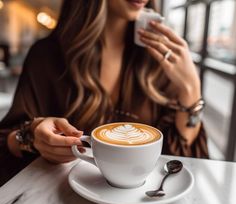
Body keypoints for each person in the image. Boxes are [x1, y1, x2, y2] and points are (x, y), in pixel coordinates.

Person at [0, 0, 208, 166]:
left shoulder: (157, 61)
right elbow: (6, 142)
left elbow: (177, 161)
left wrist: (191, 88)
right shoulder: (46, 56)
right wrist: (31, 136)